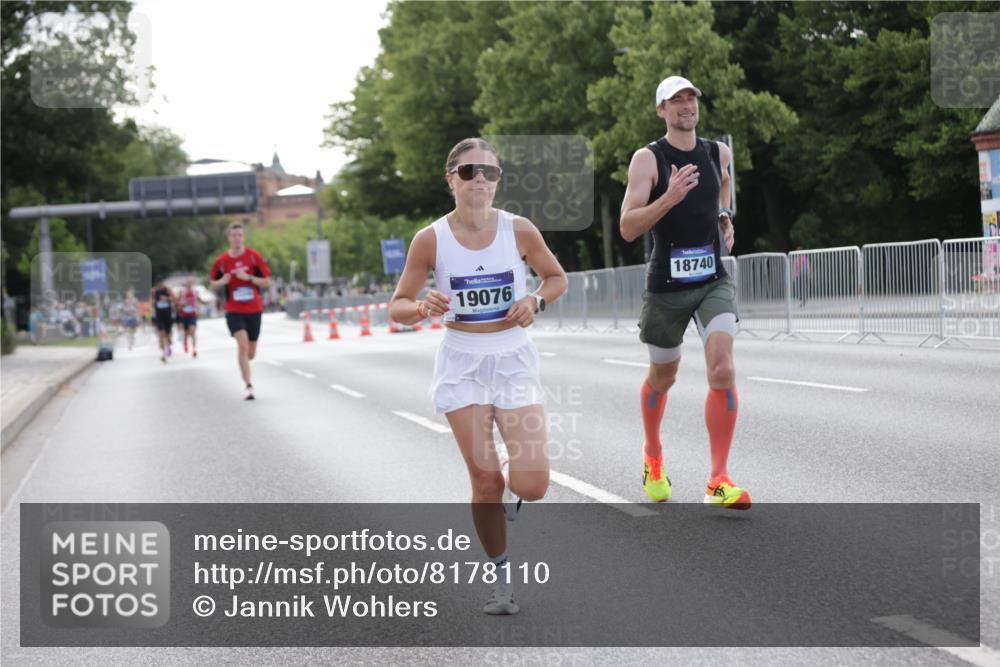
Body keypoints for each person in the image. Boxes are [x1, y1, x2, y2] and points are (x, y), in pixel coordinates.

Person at [389, 138, 567, 615]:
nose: (481, 181)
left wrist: (535, 301)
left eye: (489, 173)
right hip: (462, 362)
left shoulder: (519, 229)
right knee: (486, 480)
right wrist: (422, 305)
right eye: (470, 172)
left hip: (512, 358)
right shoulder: (431, 239)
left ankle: (517, 478)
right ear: (451, 179)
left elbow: (556, 277)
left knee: (532, 485)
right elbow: (398, 306)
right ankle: (501, 579)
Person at [620, 76, 750, 510]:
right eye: (675, 100)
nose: (685, 105)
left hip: (713, 279)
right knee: (664, 376)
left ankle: (718, 480)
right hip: (667, 288)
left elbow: (725, 185)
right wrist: (669, 197)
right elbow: (627, 226)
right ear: (661, 110)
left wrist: (725, 214)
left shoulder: (718, 152)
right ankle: (653, 456)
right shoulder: (648, 159)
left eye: (690, 97)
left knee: (723, 369)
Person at [209, 221, 272, 400]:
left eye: (240, 235)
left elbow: (267, 282)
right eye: (234, 235)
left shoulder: (253, 257)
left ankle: (246, 362)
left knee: (251, 351)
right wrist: (223, 281)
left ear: (243, 238)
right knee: (242, 345)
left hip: (254, 309)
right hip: (234, 309)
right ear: (229, 238)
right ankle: (248, 385)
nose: (237, 238)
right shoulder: (221, 261)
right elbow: (213, 283)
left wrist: (249, 277)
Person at [151, 280, 174, 362]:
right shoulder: (154, 292)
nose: (160, 285)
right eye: (158, 283)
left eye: (161, 283)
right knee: (162, 333)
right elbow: (152, 302)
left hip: (167, 315)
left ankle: (168, 347)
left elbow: (173, 298)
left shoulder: (167, 290)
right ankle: (164, 352)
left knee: (167, 334)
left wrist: (167, 298)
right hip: (159, 316)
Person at [177, 277, 200, 357]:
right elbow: (178, 303)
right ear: (186, 284)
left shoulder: (195, 292)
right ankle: (185, 343)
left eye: (191, 283)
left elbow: (199, 300)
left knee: (193, 331)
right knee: (186, 332)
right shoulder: (182, 292)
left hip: (193, 314)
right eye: (188, 283)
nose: (189, 284)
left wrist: (204, 303)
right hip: (184, 315)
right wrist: (181, 305)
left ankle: (194, 349)